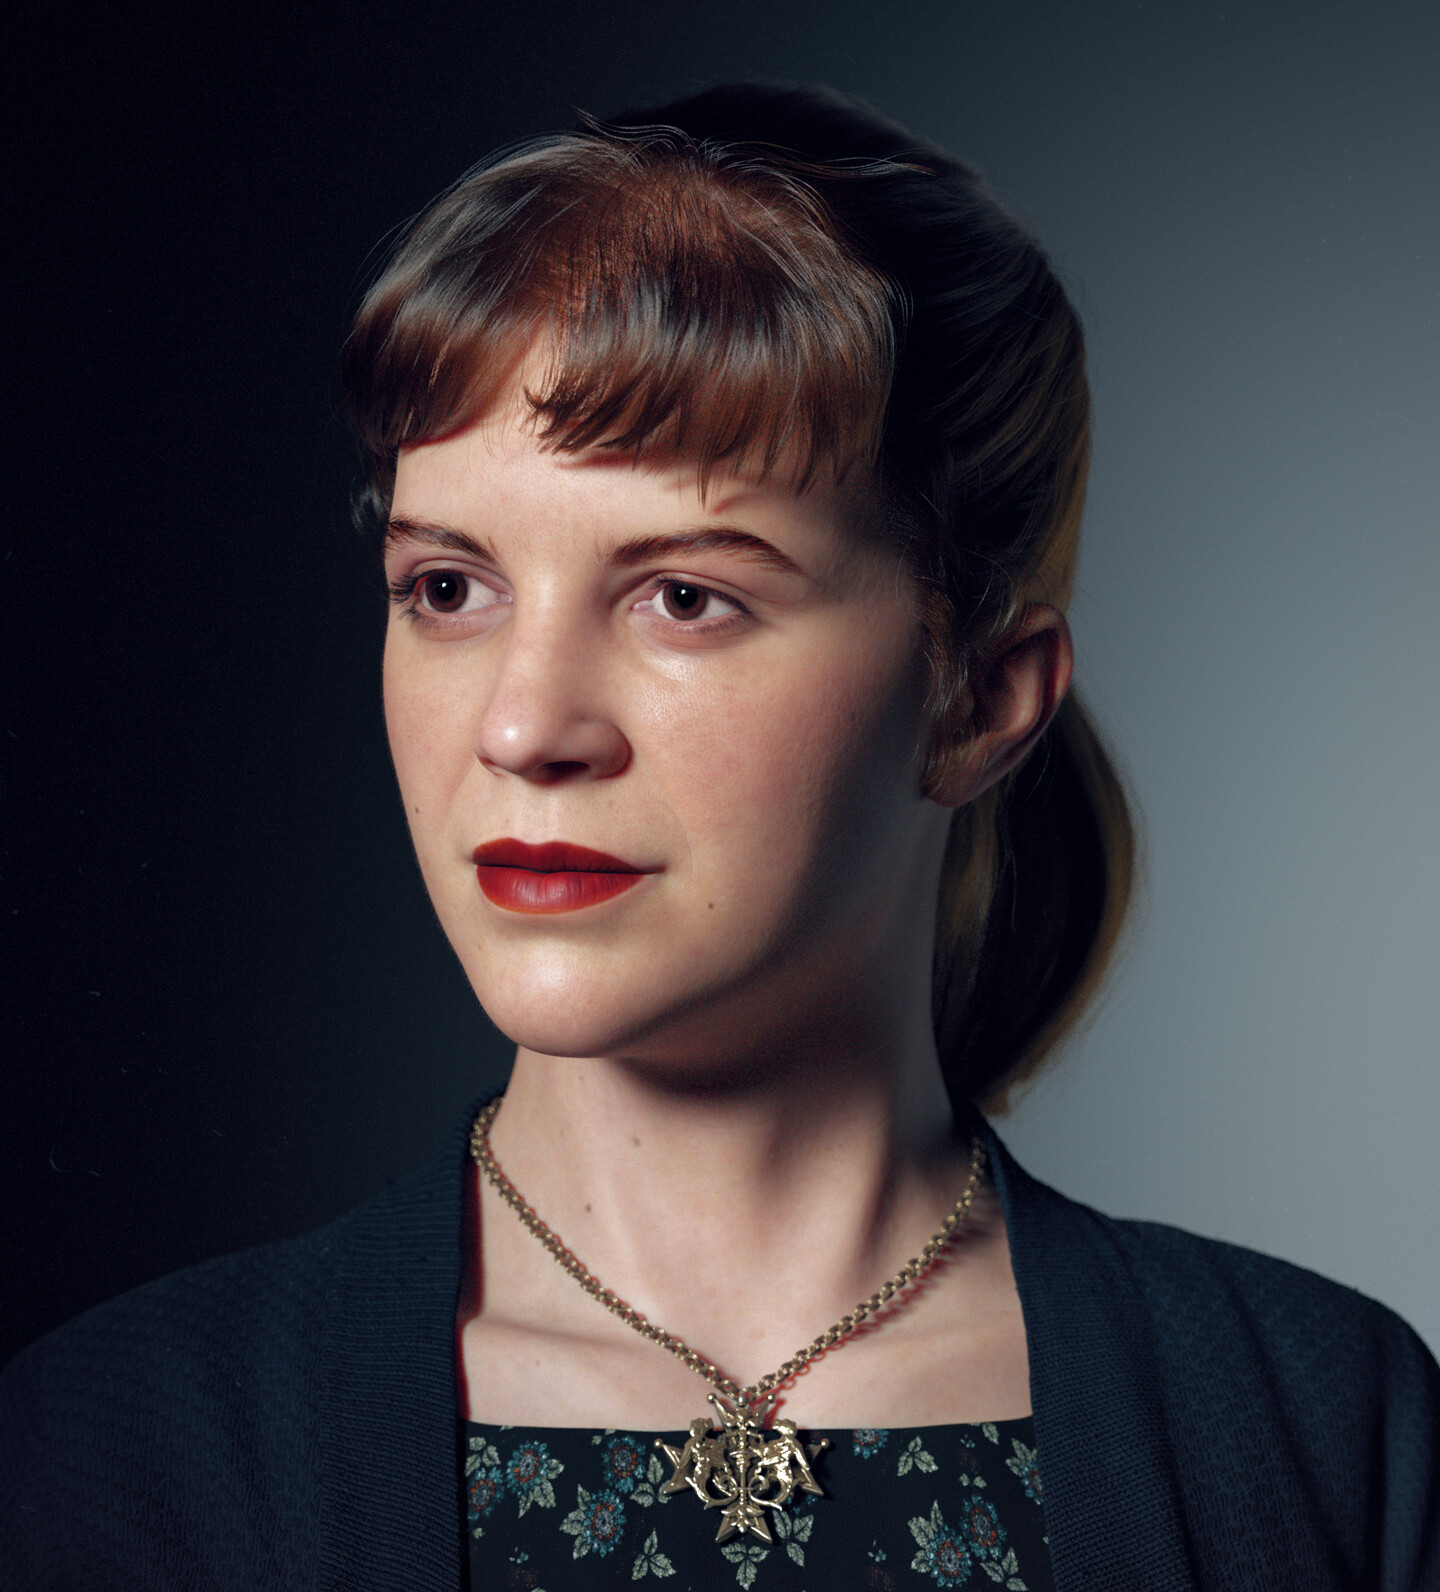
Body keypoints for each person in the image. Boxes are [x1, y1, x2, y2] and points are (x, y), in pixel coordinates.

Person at [2, 85, 1436, 1591]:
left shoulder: (1321, 1434)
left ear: (980, 699)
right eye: (447, 589)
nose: (523, 727)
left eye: (685, 597)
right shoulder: (117, 1454)